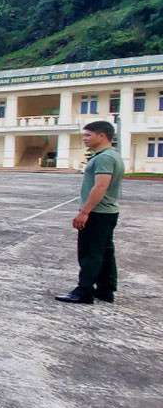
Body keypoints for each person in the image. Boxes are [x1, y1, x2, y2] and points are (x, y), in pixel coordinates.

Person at [55, 121, 125, 304]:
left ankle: (84, 291)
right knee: (105, 251)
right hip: (107, 212)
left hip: (98, 212)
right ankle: (106, 290)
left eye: (88, 135)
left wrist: (85, 211)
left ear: (102, 135)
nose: (85, 138)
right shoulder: (111, 155)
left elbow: (100, 186)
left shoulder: (104, 158)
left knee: (90, 252)